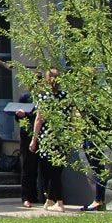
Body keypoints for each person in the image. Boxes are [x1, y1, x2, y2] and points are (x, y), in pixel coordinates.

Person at [31, 69, 67, 211]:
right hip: (63, 136)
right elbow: (70, 117)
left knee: (51, 171)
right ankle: (50, 200)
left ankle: (59, 201)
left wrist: (34, 139)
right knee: (57, 170)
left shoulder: (44, 97)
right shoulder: (65, 96)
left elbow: (39, 119)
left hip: (48, 137)